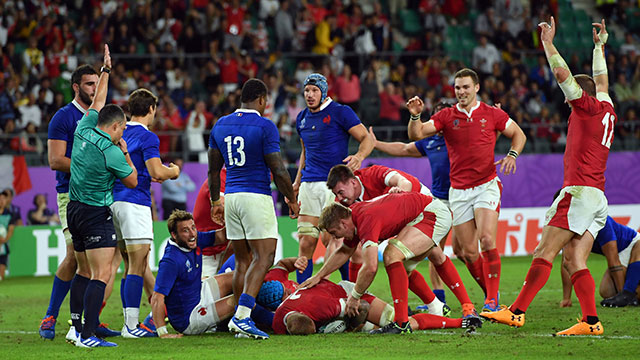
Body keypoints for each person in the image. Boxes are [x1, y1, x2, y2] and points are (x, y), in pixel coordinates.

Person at [481, 18, 615, 335]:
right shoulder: (608, 107)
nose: (567, 101)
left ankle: (516, 312)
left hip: (579, 192)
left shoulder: (585, 106)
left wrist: (547, 43)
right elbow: (603, 81)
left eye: (570, 97)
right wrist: (599, 47)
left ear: (578, 95)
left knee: (544, 252)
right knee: (574, 260)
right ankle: (591, 322)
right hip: (598, 197)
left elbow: (561, 74)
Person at [407, 67, 527, 313]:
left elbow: (518, 134)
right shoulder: (447, 116)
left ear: (476, 88)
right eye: (457, 87)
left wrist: (512, 155)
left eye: (465, 87)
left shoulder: (492, 114)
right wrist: (415, 116)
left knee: (486, 238)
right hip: (459, 191)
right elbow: (416, 134)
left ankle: (491, 300)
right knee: (468, 252)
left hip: (486, 185)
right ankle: (490, 294)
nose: (461, 91)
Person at [302, 192, 479, 334]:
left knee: (391, 255)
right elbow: (344, 252)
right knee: (404, 269)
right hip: (419, 216)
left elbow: (371, 267)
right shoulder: (354, 218)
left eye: (334, 232)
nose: (335, 237)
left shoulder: (365, 220)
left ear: (342, 222)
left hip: (431, 214)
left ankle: (402, 323)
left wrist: (354, 297)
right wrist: (319, 276)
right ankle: (441, 306)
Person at [208, 78, 299, 339]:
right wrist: (291, 199)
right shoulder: (265, 126)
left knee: (242, 260)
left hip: (232, 197)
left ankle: (237, 318)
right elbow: (278, 169)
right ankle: (243, 317)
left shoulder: (221, 124)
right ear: (261, 99)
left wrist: (216, 201)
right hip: (255, 195)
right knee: (265, 256)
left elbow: (213, 170)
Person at [40, 63, 119, 340]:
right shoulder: (63, 118)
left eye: (97, 83)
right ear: (76, 87)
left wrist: (106, 70)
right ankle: (51, 314)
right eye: (89, 84)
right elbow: (54, 160)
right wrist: (90, 167)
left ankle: (89, 321)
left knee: (104, 260)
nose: (95, 89)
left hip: (99, 196)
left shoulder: (98, 117)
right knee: (75, 255)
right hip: (70, 195)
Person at [67, 45, 138, 348]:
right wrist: (126, 153)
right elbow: (133, 181)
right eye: (122, 127)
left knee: (83, 270)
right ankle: (88, 334)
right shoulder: (111, 150)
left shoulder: (84, 126)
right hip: (96, 213)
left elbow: (98, 99)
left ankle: (75, 325)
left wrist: (106, 70)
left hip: (74, 209)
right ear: (115, 126)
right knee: (103, 272)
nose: (123, 131)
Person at [325, 164, 451, 317]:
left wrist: (400, 195)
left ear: (353, 182)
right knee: (397, 262)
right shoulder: (347, 203)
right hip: (395, 216)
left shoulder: (372, 174)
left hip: (418, 205)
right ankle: (434, 306)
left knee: (431, 255)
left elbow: (404, 182)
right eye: (336, 194)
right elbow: (346, 247)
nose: (339, 198)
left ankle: (467, 305)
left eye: (340, 192)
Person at [111, 88, 180, 338]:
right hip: (135, 203)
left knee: (130, 265)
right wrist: (174, 171)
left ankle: (131, 322)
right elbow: (157, 173)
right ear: (151, 109)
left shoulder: (118, 131)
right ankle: (131, 326)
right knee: (138, 265)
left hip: (114, 202)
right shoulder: (148, 137)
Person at [368, 102, 453, 304]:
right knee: (435, 251)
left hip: (464, 195)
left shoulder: (460, 138)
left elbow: (483, 141)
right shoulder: (430, 140)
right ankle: (439, 299)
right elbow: (404, 148)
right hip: (441, 200)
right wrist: (377, 144)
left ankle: (490, 297)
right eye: (436, 116)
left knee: (466, 251)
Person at [293, 73, 373, 284]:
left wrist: (359, 156)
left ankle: (341, 289)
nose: (309, 95)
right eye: (307, 91)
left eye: (314, 91)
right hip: (308, 185)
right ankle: (303, 294)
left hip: (333, 185)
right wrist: (296, 182)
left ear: (323, 92)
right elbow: (305, 152)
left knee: (333, 239)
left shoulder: (340, 112)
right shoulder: (301, 118)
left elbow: (367, 138)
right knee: (305, 242)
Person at [151, 210, 235, 337]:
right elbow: (157, 297)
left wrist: (233, 217)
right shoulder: (171, 260)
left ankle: (224, 322)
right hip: (189, 318)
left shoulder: (194, 239)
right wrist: (163, 333)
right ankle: (264, 320)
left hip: (200, 293)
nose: (192, 234)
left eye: (193, 228)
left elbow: (221, 236)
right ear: (174, 235)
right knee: (240, 298)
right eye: (185, 230)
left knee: (239, 277)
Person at [560, 215, 640, 308]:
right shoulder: (570, 227)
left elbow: (613, 261)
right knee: (606, 292)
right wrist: (566, 298)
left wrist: (622, 296)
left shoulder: (601, 222)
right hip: (619, 254)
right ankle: (631, 294)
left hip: (633, 244)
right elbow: (567, 262)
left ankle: (629, 293)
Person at [192, 168, 231, 278]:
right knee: (204, 293)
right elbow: (223, 206)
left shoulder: (244, 180)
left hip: (227, 247)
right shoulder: (222, 176)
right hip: (206, 251)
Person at [0, 189, 19, 281]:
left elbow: (11, 229)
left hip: (3, 246)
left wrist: (4, 239)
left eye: (3, 199)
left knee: (1, 275)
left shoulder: (10, 214)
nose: (2, 201)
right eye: (0, 199)